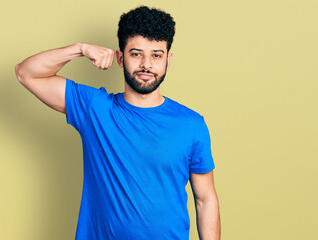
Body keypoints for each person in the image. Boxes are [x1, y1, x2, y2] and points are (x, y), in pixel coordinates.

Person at [15, 5, 220, 240]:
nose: (146, 64)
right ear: (120, 58)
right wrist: (79, 49)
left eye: (156, 55)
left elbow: (205, 199)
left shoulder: (192, 124)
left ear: (168, 60)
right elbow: (26, 72)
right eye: (136, 53)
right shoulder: (94, 108)